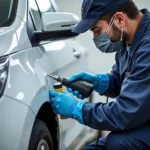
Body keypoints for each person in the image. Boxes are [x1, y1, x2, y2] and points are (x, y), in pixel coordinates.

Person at [49, 0, 150, 149]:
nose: (95, 37)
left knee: (117, 143)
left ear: (120, 19)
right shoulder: (128, 40)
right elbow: (124, 81)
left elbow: (125, 113)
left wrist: (77, 109)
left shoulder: (147, 49)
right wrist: (100, 82)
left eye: (96, 30)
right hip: (144, 120)